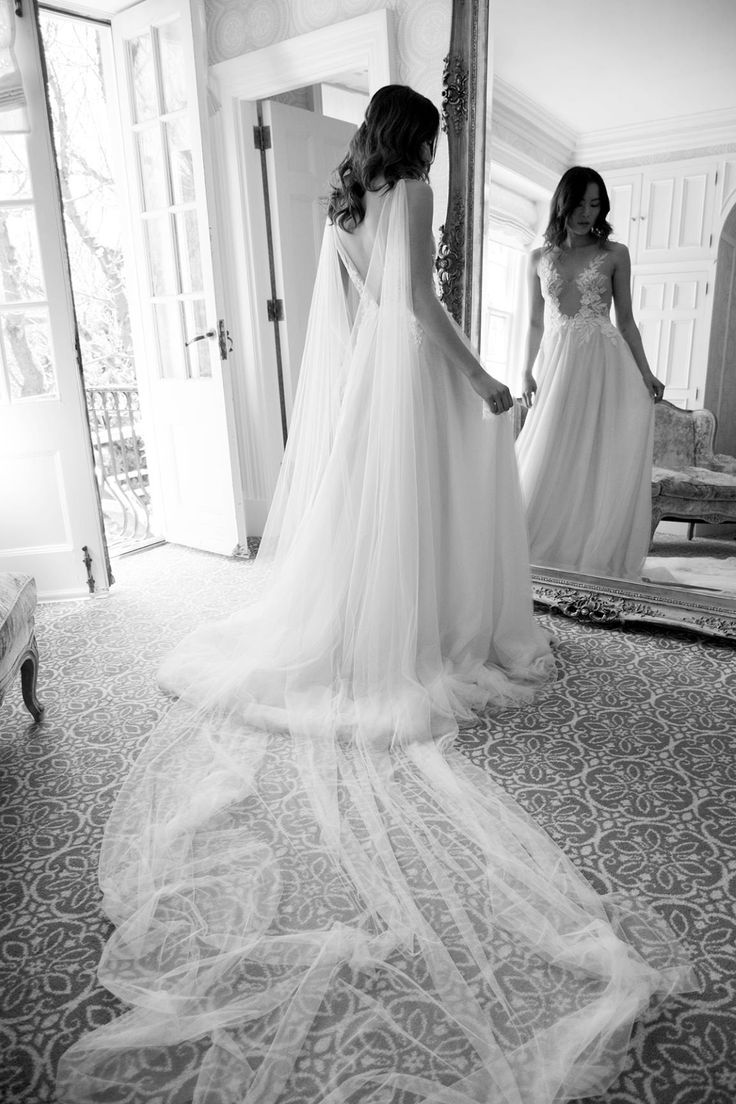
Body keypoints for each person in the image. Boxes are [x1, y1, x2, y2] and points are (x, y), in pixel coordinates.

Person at [56, 90, 690, 1104]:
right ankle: (427, 635)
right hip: (417, 371)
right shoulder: (416, 185)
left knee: (386, 521)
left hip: (368, 383)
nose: (435, 146)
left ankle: (377, 633)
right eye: (430, 133)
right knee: (449, 496)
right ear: (418, 138)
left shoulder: (343, 203)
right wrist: (483, 379)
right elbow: (420, 309)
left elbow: (357, 313)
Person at [516, 166, 665, 580]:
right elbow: (534, 323)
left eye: (596, 204)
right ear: (563, 202)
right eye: (580, 202)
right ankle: (541, 545)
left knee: (596, 453)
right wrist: (525, 371)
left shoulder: (615, 254)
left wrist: (646, 371)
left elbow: (627, 320)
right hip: (557, 364)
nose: (587, 212)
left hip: (603, 363)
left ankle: (592, 550)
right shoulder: (536, 259)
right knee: (551, 448)